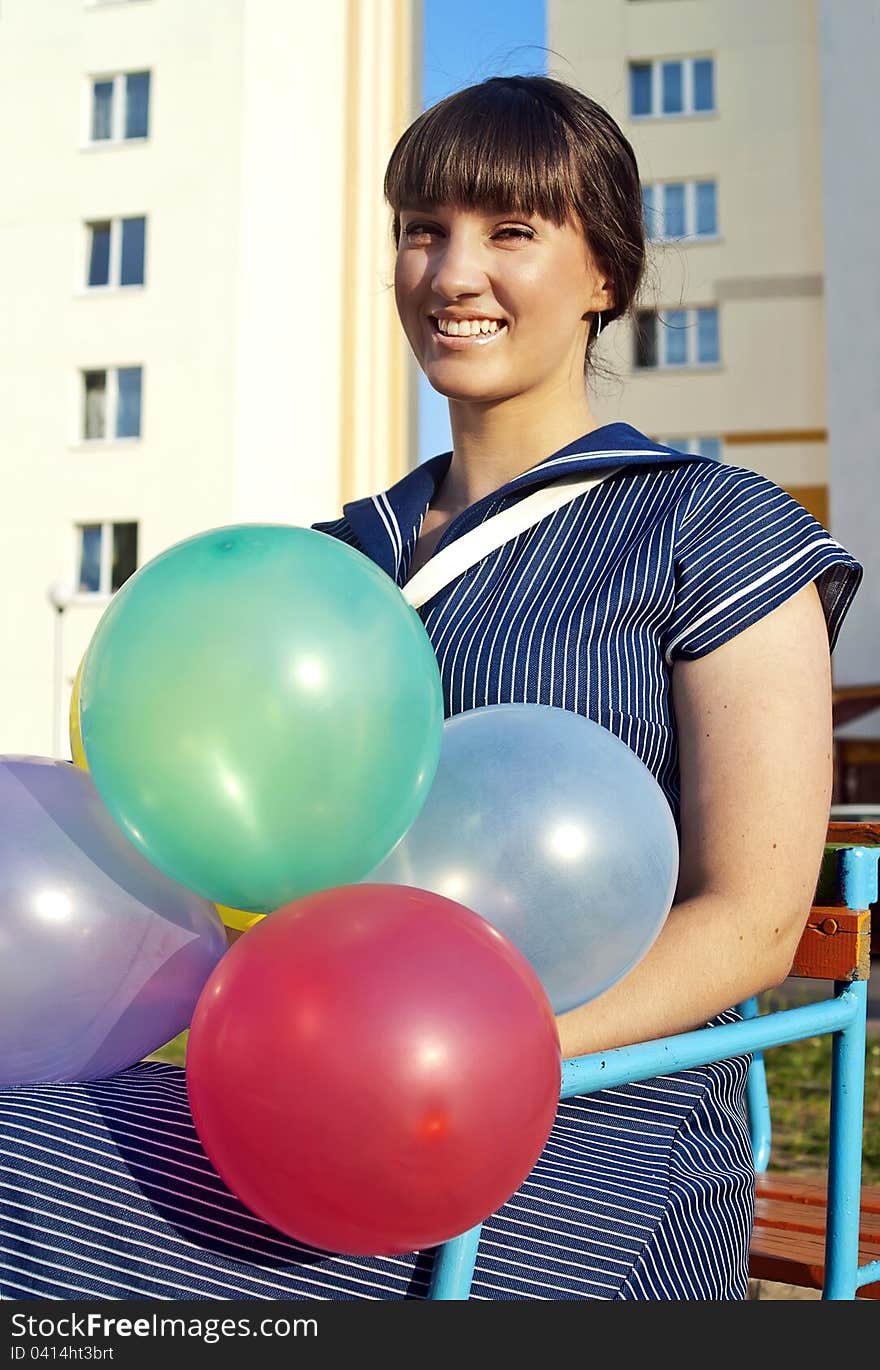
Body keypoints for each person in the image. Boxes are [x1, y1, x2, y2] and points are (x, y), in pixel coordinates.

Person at [0, 75, 862, 1301]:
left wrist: (473, 1056)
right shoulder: (332, 564)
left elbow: (757, 918)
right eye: (423, 229)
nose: (454, 273)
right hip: (305, 1085)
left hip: (590, 1117)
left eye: (511, 232)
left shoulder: (712, 527)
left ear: (605, 274)